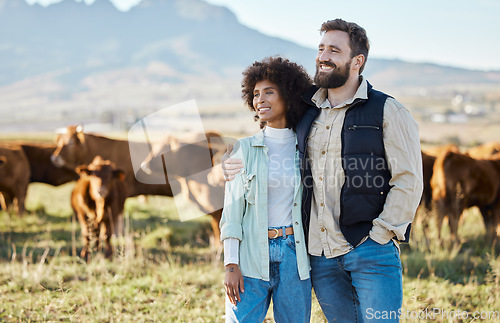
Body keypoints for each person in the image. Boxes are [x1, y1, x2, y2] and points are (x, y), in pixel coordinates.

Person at [222, 19, 423, 322]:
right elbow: (266, 149)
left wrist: (380, 234)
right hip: (321, 258)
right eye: (320, 49)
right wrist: (223, 168)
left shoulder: (388, 110)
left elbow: (408, 180)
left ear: (357, 61)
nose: (323, 56)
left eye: (334, 50)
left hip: (370, 251)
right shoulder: (307, 112)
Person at [220, 56, 313, 322]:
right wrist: (230, 264)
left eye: (269, 92)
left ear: (289, 95)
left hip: (295, 258)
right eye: (256, 93)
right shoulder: (243, 149)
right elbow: (232, 212)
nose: (260, 99)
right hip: (250, 257)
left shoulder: (306, 148)